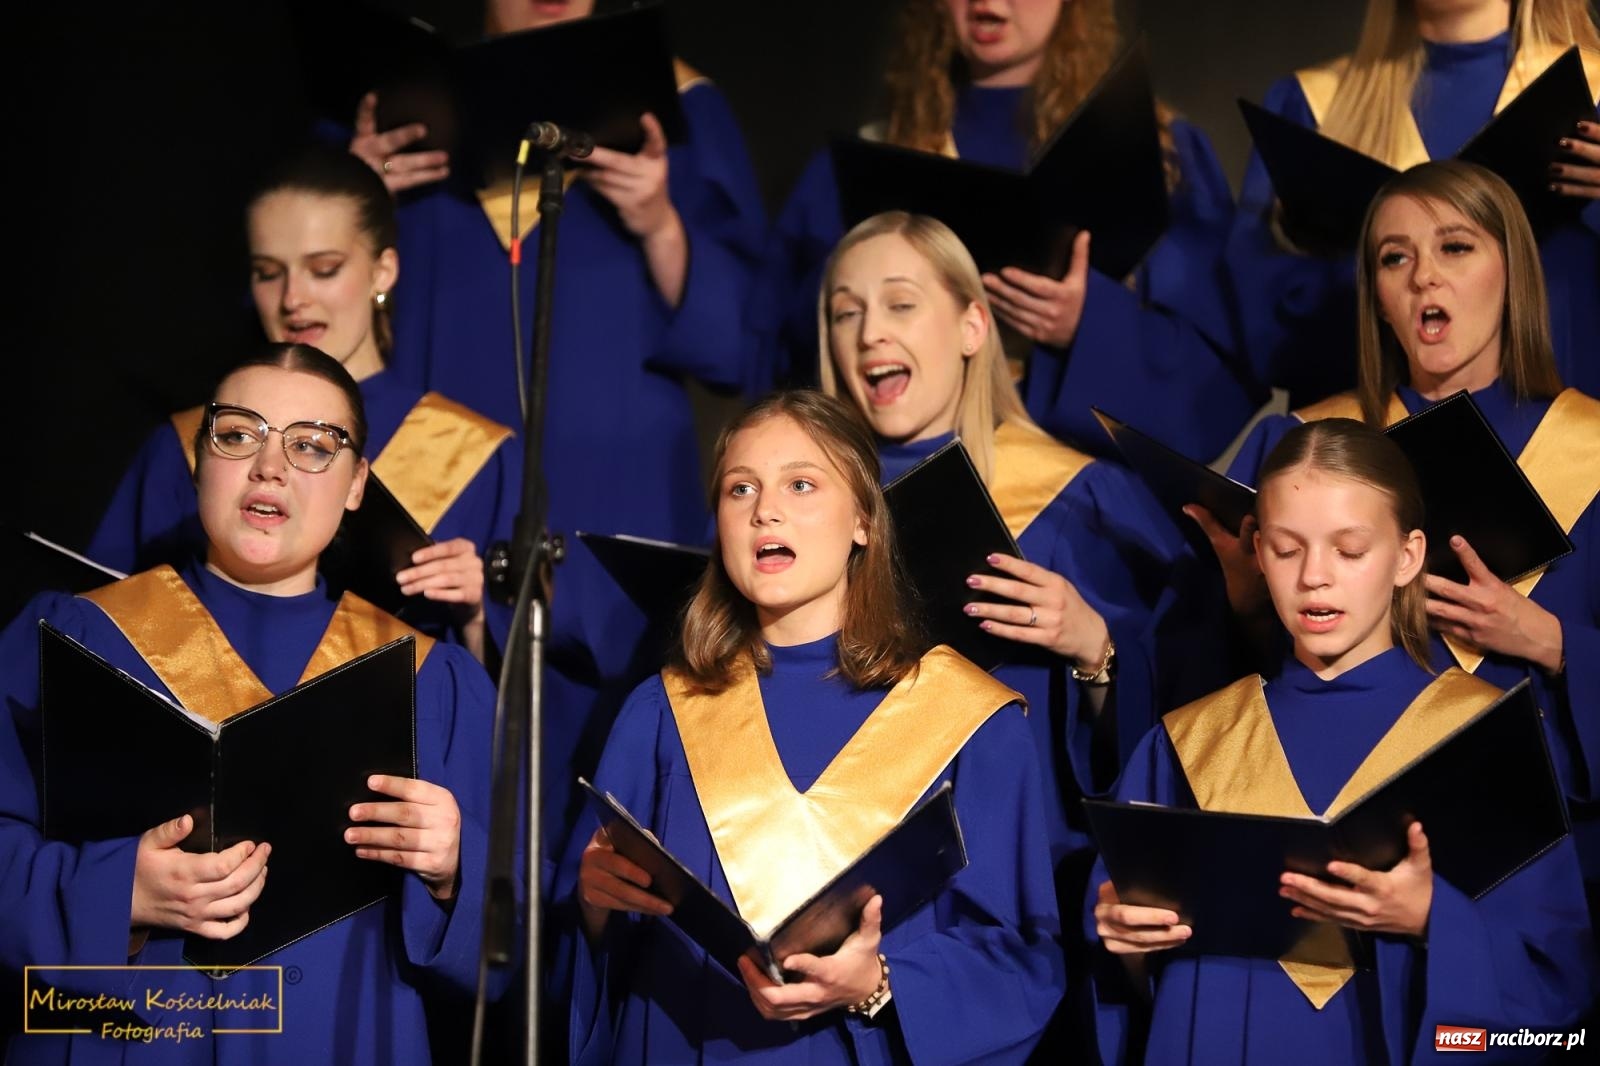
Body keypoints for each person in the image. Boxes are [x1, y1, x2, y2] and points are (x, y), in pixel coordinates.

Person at [0, 344, 505, 1065]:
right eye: (238, 434)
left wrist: (455, 868)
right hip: (127, 1034)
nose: (270, 467)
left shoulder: (431, 680)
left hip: (342, 1038)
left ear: (359, 483)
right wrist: (118, 892)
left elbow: (522, 942)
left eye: (312, 446)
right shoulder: (75, 635)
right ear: (200, 457)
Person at [818, 212, 1231, 1050]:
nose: (869, 334)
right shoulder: (802, 510)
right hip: (838, 897)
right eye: (845, 311)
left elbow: (1209, 721)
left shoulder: (1084, 500)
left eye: (900, 304)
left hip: (1027, 900)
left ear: (975, 324)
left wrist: (1099, 652)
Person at [563, 390, 1064, 1064]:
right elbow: (584, 953)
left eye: (801, 484)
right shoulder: (662, 713)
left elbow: (1023, 958)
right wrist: (594, 905)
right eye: (740, 489)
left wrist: (879, 985)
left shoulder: (970, 722)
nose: (764, 509)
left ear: (863, 520)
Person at [1091, 418, 1595, 1065]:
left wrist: (1433, 920)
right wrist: (1126, 943)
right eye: (1286, 548)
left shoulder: (1488, 740)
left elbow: (1557, 1008)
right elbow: (1130, 983)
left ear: (1407, 556)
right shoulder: (1187, 745)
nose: (1314, 577)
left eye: (1349, 550)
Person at [1202, 162, 1600, 923]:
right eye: (1395, 257)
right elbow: (1226, 699)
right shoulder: (1305, 444)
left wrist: (1550, 641)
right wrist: (1247, 603)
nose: (1423, 279)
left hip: (1535, 858)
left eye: (1455, 248)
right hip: (1328, 833)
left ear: (1512, 272)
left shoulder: (1593, 450)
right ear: (1377, 300)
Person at [759, 0, 1263, 462]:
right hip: (909, 482)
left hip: (1074, 500)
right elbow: (780, 352)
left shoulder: (1159, 157)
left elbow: (1215, 377)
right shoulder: (864, 167)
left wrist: (1087, 323)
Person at [352, 0, 768, 548]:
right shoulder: (400, 115)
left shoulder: (677, 107)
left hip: (621, 492)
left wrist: (660, 224)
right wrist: (350, 200)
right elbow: (301, 318)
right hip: (433, 485)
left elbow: (738, 345)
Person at [87, 146, 521, 664]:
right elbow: (106, 629)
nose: (293, 298)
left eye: (324, 268)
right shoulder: (188, 444)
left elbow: (495, 712)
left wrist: (477, 617)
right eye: (269, 273)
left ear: (383, 271)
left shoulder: (472, 457)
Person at [1227, 0, 1600, 405]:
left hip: (1569, 435)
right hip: (1370, 442)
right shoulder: (1313, 108)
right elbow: (1261, 327)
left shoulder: (1592, 95)